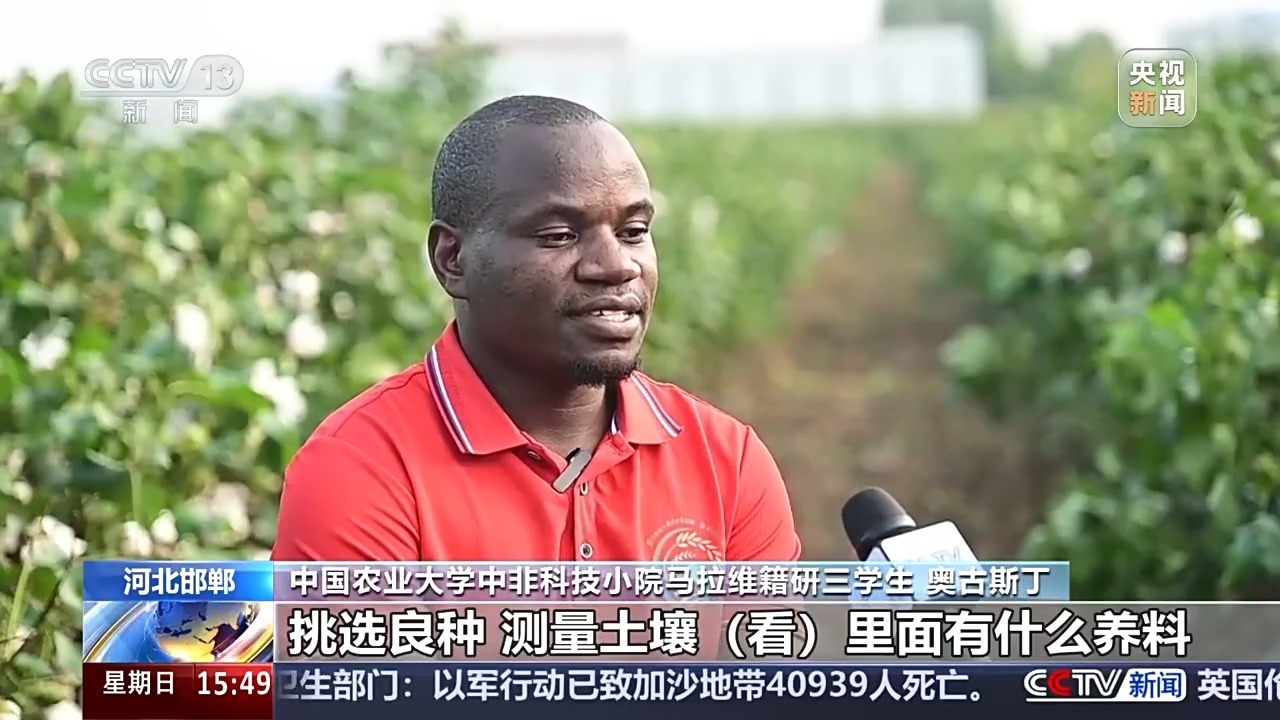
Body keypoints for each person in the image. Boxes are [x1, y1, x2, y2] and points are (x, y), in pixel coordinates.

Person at [271, 95, 801, 564]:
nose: (616, 266)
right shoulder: (360, 470)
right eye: (558, 235)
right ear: (452, 259)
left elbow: (764, 647)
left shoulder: (726, 462)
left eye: (633, 231)